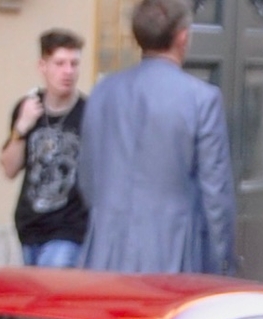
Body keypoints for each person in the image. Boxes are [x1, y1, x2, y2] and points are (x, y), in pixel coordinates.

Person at [76, 0, 236, 276]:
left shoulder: (103, 91)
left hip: (105, 253)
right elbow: (215, 195)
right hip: (173, 255)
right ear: (182, 37)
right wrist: (222, 264)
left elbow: (88, 179)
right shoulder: (201, 99)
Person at [0, 30, 91, 269]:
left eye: (74, 63)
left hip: (70, 229)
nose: (68, 71)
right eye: (60, 63)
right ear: (43, 66)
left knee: (50, 289)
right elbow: (9, 168)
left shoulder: (89, 112)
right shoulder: (27, 107)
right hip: (30, 227)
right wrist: (21, 127)